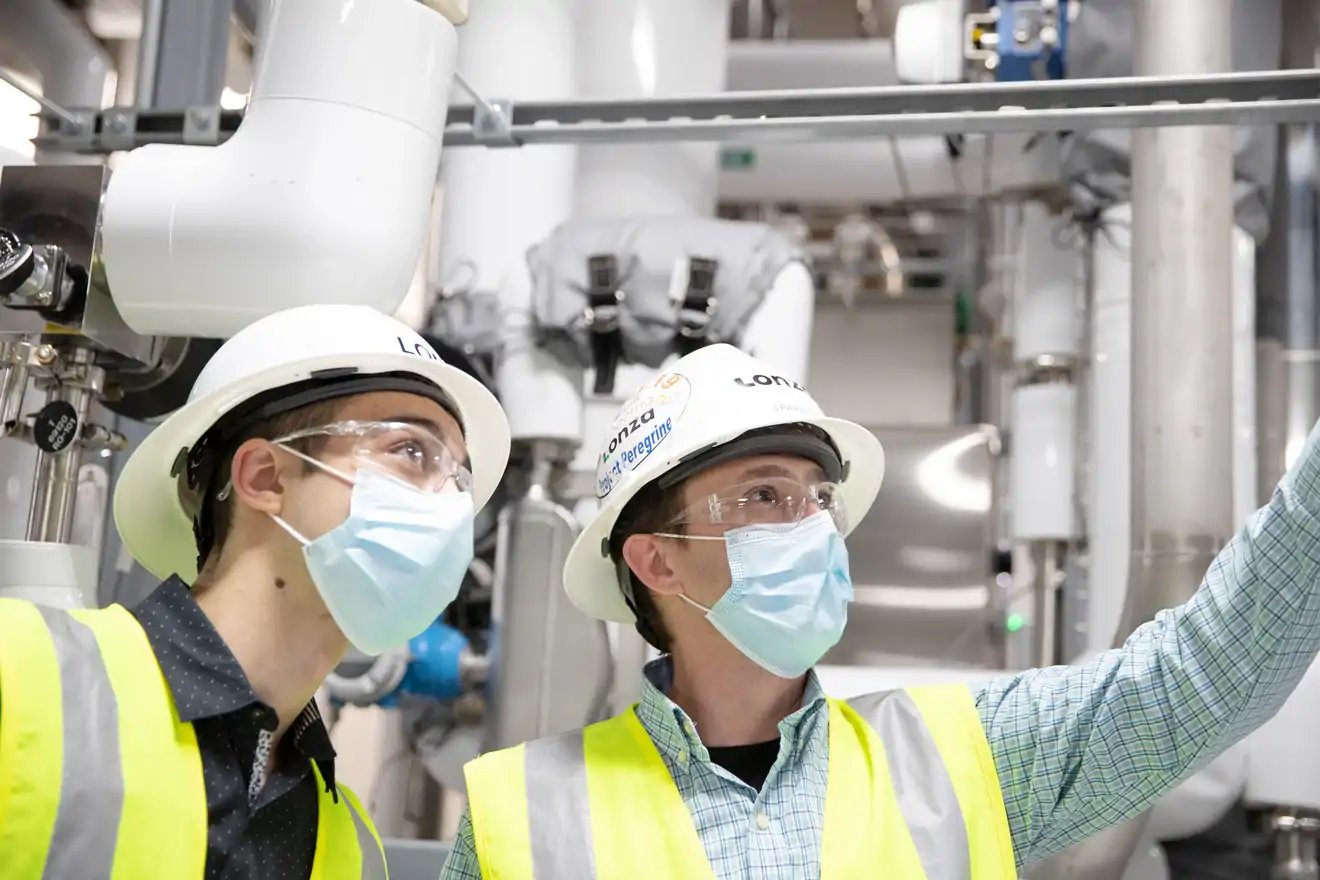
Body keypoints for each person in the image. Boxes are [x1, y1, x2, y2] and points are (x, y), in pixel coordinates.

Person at [442, 342, 1320, 878]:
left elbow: (1201, 678)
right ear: (658, 561)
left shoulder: (960, 753)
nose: (815, 524)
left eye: (817, 496)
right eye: (763, 496)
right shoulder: (522, 810)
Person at [0, 304, 509, 880]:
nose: (449, 507)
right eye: (412, 452)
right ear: (265, 477)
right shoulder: (23, 674)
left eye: (459, 479)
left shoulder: (351, 848)